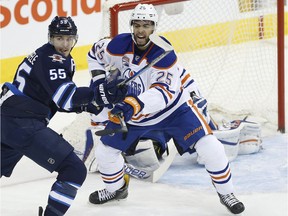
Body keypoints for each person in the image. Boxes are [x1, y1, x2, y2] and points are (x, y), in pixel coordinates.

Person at [87, 4, 245, 214]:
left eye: (147, 25)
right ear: (131, 25)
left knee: (211, 147)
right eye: (137, 25)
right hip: (135, 116)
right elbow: (93, 54)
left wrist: (132, 105)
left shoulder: (164, 54)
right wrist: (99, 81)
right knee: (105, 152)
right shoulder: (118, 44)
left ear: (154, 27)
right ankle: (116, 190)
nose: (141, 30)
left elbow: (162, 94)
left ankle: (227, 193)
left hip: (174, 111)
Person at [0, 16, 127, 215]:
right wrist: (100, 94)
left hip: (7, 120)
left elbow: (58, 100)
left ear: (75, 39)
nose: (64, 44)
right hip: (24, 124)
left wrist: (89, 104)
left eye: (69, 39)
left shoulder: (47, 56)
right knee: (74, 169)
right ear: (50, 38)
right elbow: (66, 98)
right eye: (59, 38)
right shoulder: (53, 60)